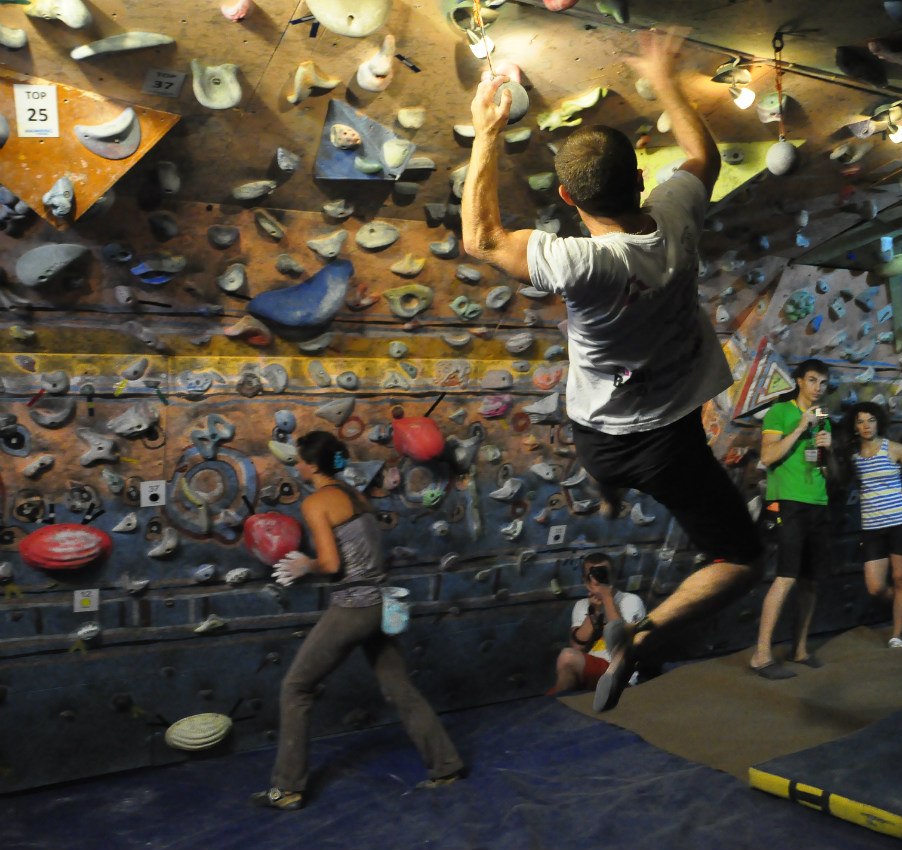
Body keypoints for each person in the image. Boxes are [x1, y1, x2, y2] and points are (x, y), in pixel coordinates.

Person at [461, 28, 761, 713]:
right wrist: (665, 78)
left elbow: (481, 238)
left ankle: (607, 496)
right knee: (741, 560)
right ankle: (642, 638)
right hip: (669, 442)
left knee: (606, 472)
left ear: (568, 202)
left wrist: (487, 130)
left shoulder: (581, 264)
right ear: (641, 180)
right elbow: (701, 155)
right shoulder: (676, 213)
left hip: (596, 433)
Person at [251, 431, 464, 810]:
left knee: (296, 687)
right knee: (400, 689)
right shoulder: (356, 496)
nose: (296, 465)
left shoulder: (318, 502)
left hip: (354, 606)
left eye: (299, 459)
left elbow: (333, 565)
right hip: (383, 604)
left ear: (313, 465)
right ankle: (446, 765)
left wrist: (306, 565)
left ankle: (287, 788)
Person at [748, 360, 834, 679]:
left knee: (810, 580)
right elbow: (768, 456)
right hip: (788, 503)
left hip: (818, 502)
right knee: (786, 576)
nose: (818, 388)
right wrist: (800, 428)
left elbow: (826, 471)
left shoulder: (824, 421)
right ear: (799, 381)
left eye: (823, 383)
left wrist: (828, 451)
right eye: (812, 380)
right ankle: (761, 655)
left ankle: (799, 649)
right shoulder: (780, 412)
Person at [850, 401, 902, 648]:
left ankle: (897, 633)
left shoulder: (893, 448)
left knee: (900, 578)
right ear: (855, 426)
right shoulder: (853, 456)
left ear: (879, 423)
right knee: (875, 587)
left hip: (900, 522)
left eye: (871, 420)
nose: (866, 426)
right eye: (861, 421)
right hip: (872, 526)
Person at [548, 553, 647, 695]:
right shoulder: (582, 605)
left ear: (612, 576)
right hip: (591, 671)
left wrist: (607, 597)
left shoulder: (631, 601)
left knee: (567, 657)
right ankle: (559, 705)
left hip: (620, 675)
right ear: (585, 581)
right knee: (567, 668)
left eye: (602, 573)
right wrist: (594, 611)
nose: (597, 579)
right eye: (592, 575)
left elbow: (623, 647)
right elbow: (577, 647)